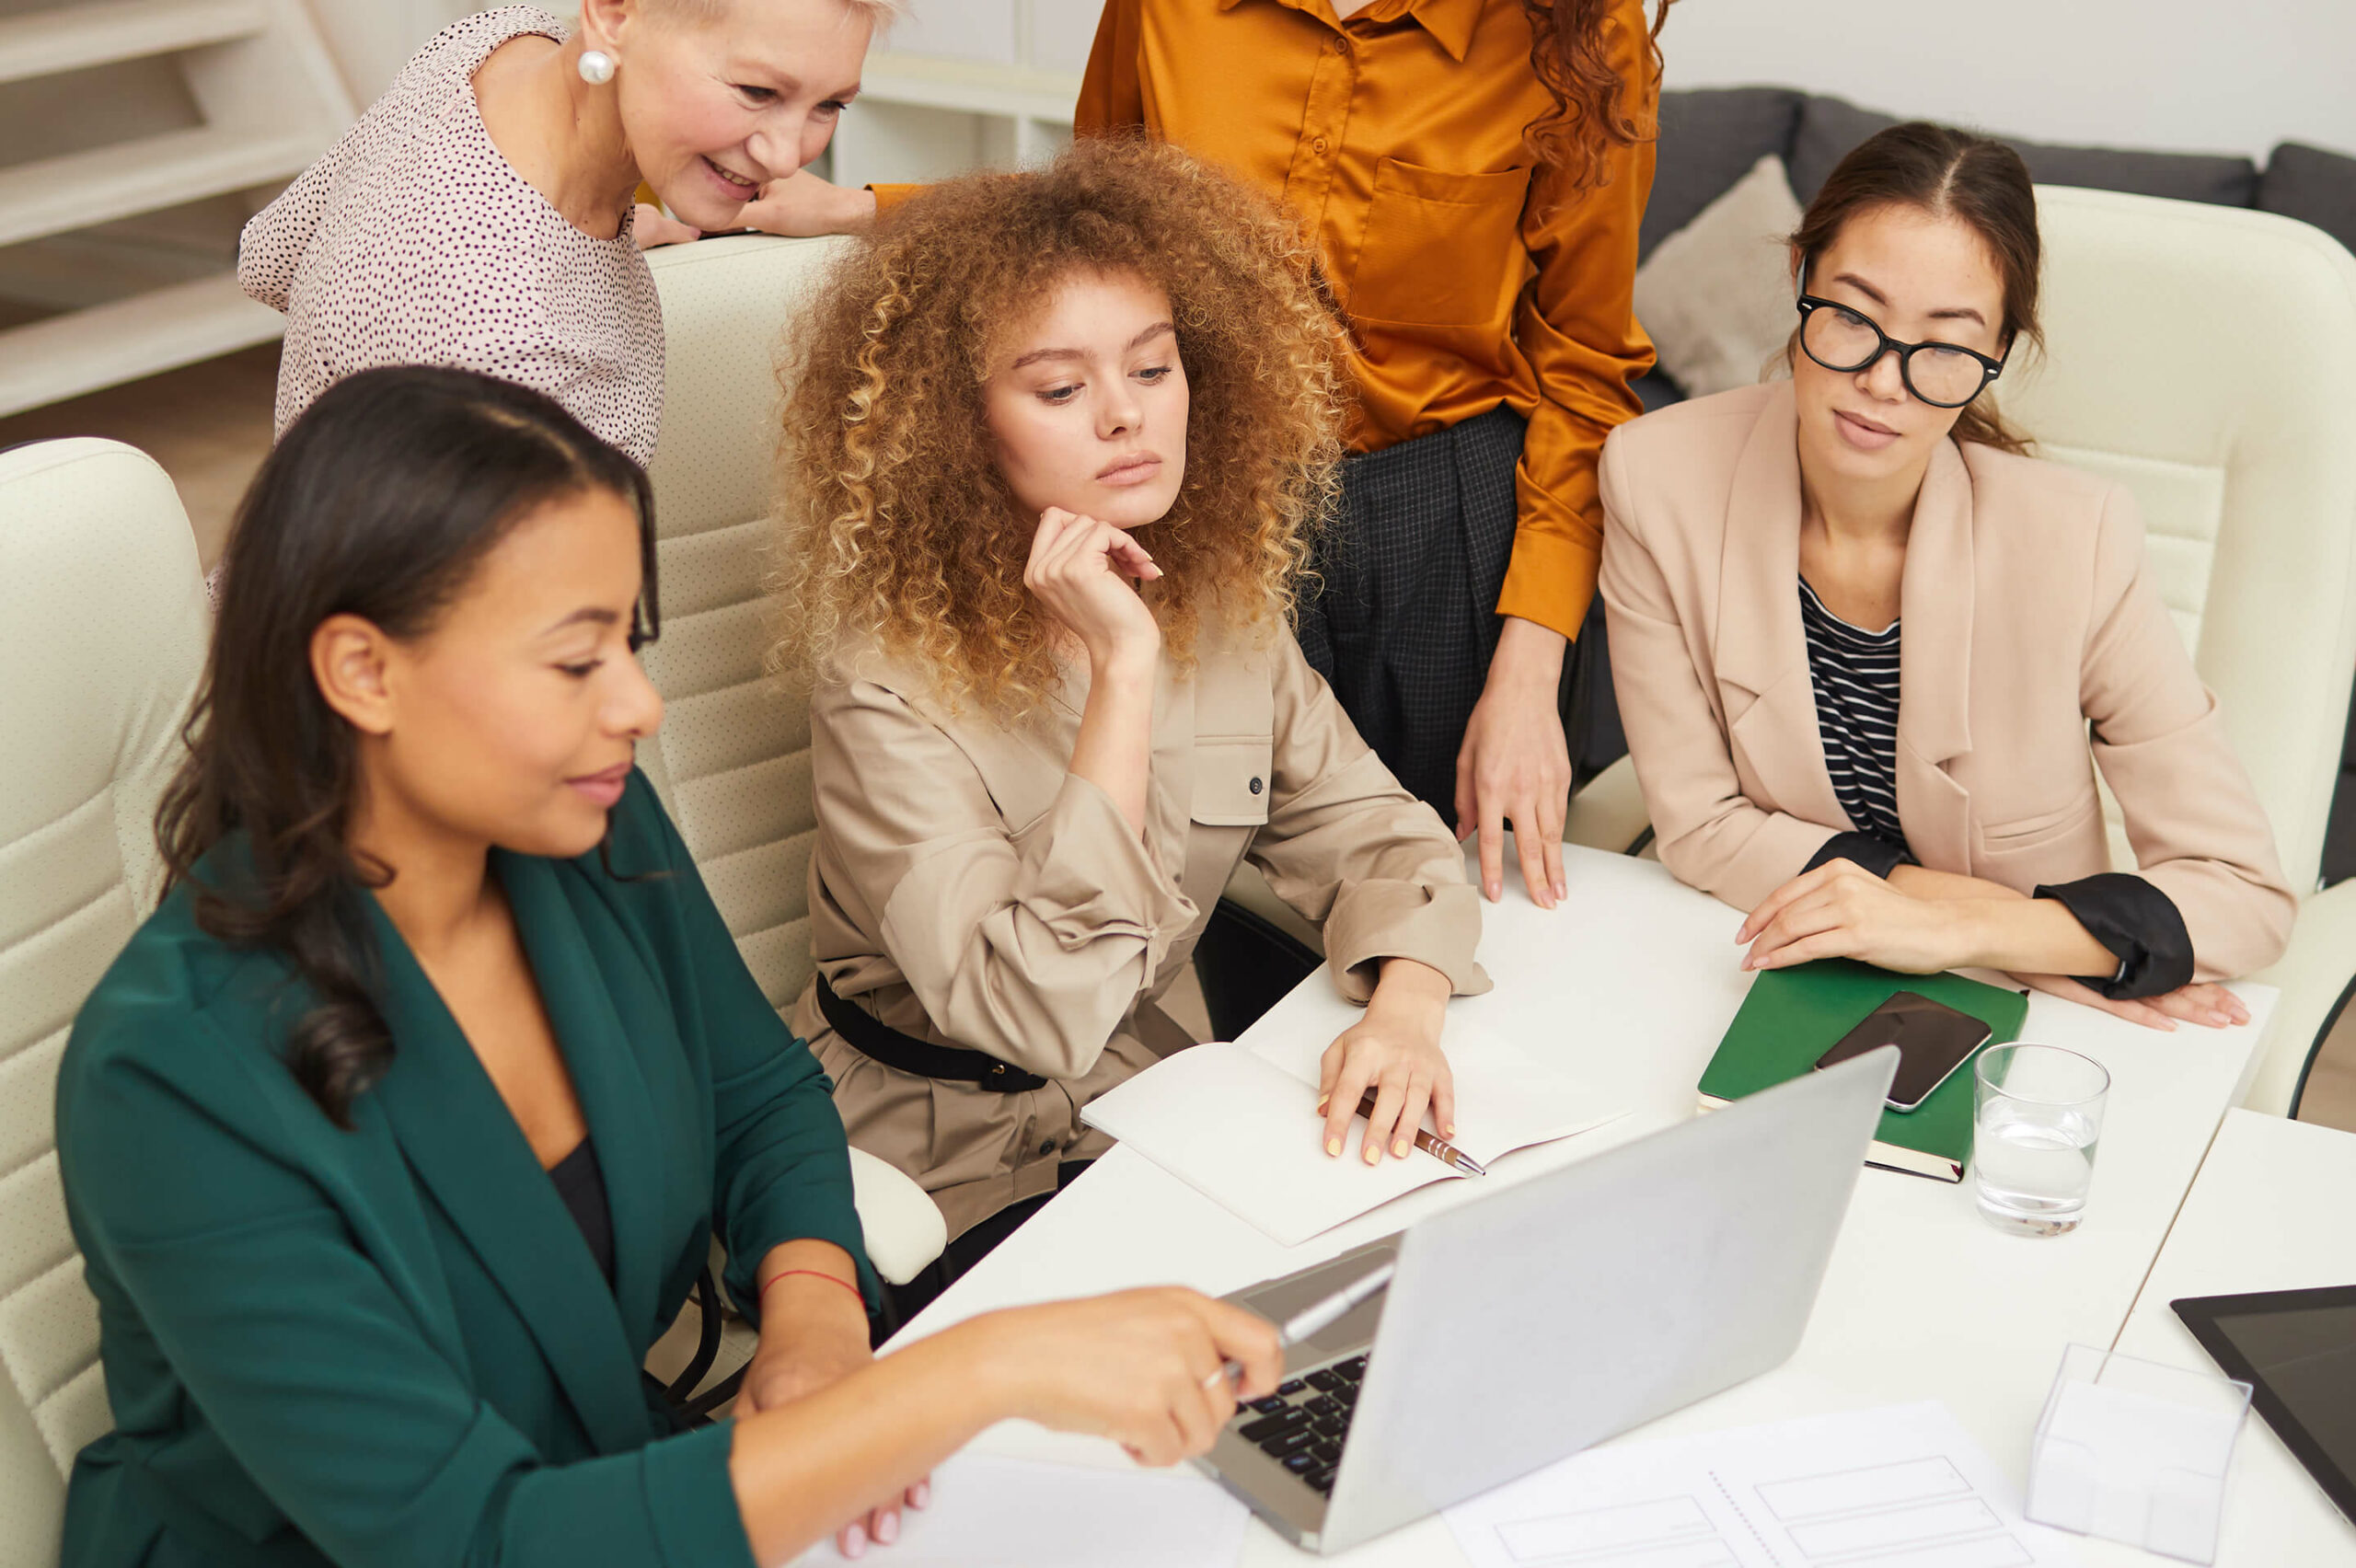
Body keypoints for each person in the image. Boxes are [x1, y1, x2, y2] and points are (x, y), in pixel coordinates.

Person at [55, 367, 1283, 1568]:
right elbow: (470, 1538)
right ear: (363, 672)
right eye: (578, 660)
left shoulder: (582, 835)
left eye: (631, 645)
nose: (640, 704)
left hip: (597, 1489)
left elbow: (758, 1099)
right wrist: (986, 1369)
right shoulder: (169, 1074)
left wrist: (812, 1316)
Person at [771, 140, 1488, 1309]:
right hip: (939, 1164)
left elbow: (1376, 837)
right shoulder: (879, 683)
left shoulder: (1219, 602)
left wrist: (1405, 1013)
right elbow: (1039, 1013)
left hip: (1149, 1106)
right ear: (958, 429)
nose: (1124, 416)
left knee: (1409, 1302)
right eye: (1060, 390)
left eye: (1153, 369)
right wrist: (1123, 667)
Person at [765, 0, 1676, 910]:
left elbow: (1586, 370)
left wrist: (1528, 673)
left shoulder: (1580, 29)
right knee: (1213, 901)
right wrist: (860, 209)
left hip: (1447, 528)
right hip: (1208, 496)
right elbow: (1091, 229)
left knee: (1455, 899)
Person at [1597, 122, 2296, 1028]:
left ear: (1997, 355)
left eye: (1945, 345)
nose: (1885, 381)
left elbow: (2244, 893)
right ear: (1800, 283)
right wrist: (1940, 917)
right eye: (1852, 315)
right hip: (1755, 948)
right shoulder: (1655, 475)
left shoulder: (2076, 539)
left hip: (2015, 1001)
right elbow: (1701, 826)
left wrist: (1973, 938)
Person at [237, 0, 888, 465]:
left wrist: (600, 240)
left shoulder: (499, 39)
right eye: (755, 91)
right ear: (612, 15)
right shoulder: (499, 338)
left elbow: (267, 257)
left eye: (830, 104)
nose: (786, 157)